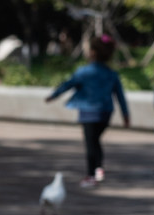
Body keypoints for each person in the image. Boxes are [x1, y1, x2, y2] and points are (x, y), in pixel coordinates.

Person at [46, 35, 130, 188]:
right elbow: (120, 96)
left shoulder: (84, 72)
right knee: (96, 141)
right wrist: (126, 115)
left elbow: (68, 84)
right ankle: (99, 169)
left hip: (88, 112)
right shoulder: (112, 74)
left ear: (92, 52)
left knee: (91, 143)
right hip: (105, 113)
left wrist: (54, 95)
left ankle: (91, 175)